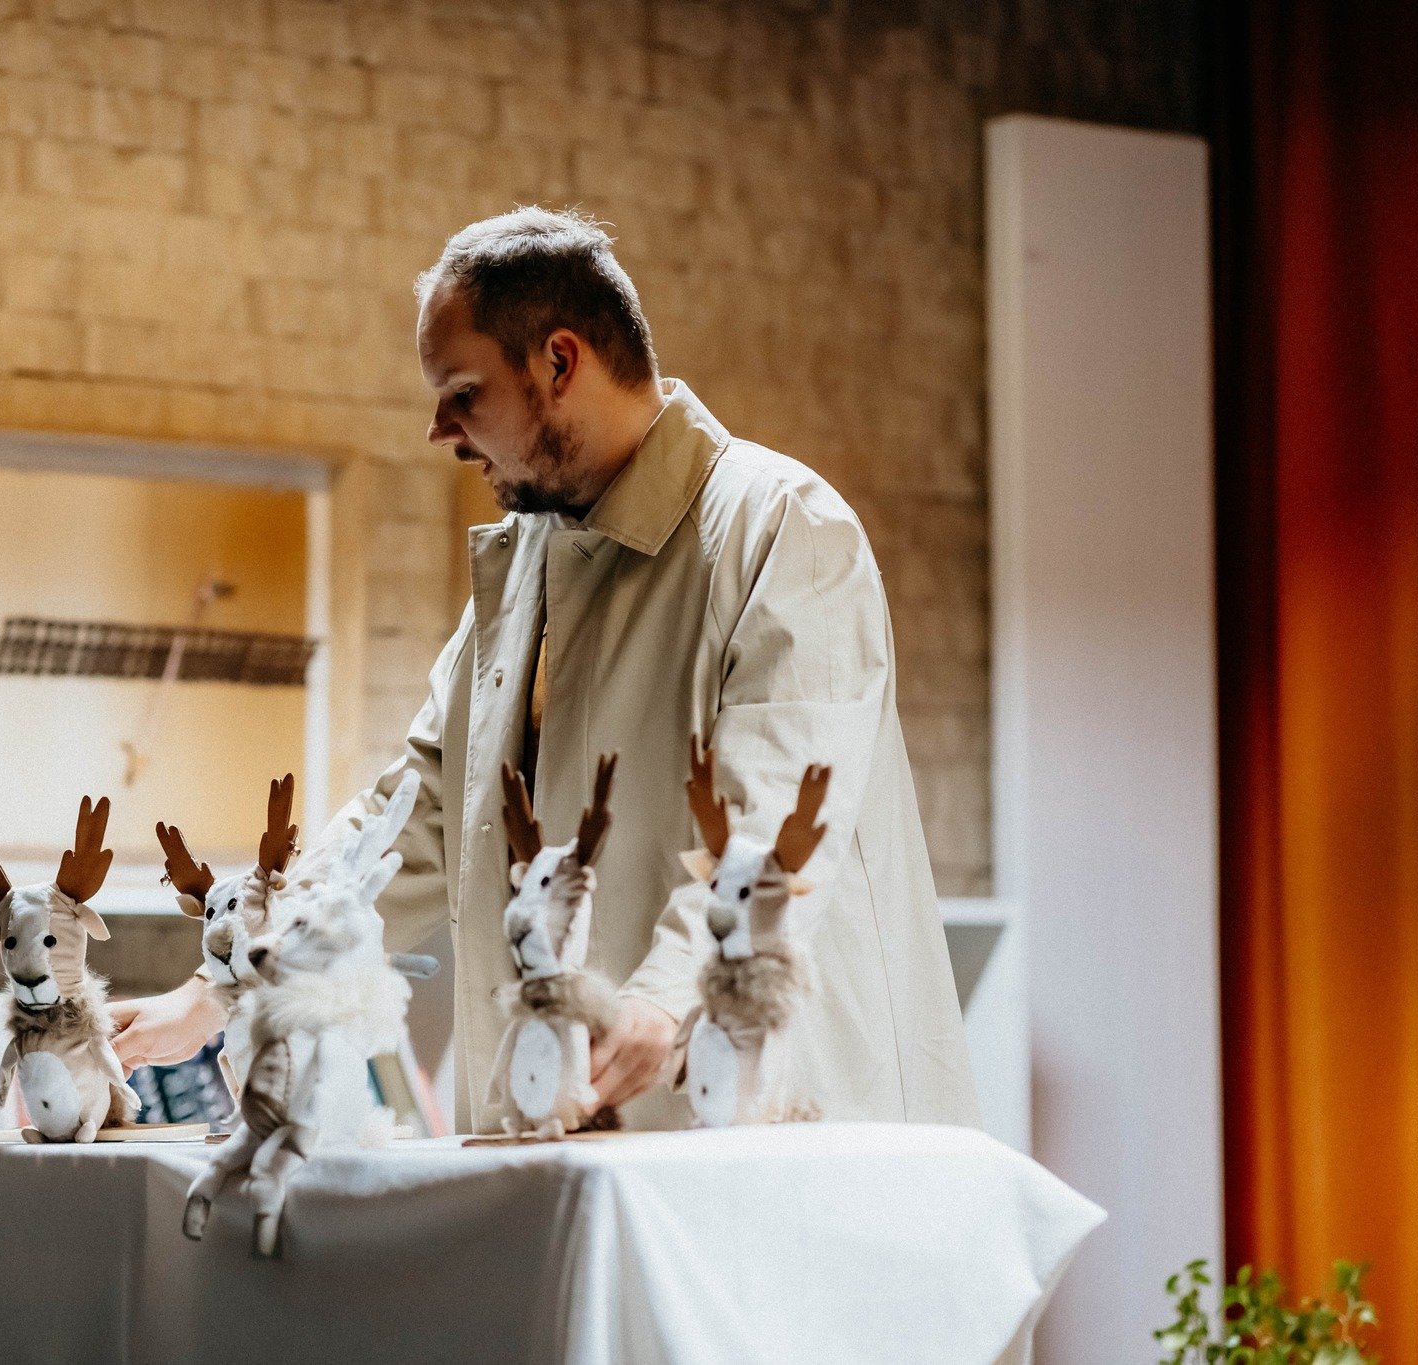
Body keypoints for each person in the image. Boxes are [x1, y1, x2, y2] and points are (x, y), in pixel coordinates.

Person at [110, 207, 979, 1132]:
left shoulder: (784, 529)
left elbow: (774, 822)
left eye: (464, 392)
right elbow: (419, 813)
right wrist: (224, 983)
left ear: (561, 362)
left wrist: (663, 997)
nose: (440, 430)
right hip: (566, 1121)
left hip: (763, 1128)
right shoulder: (530, 557)